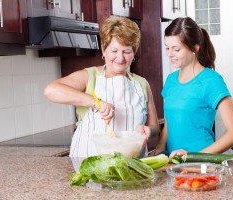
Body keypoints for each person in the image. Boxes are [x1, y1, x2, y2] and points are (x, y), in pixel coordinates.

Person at [44, 16, 159, 158]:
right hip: (89, 162)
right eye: (114, 51)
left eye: (127, 51)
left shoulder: (142, 84)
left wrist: (148, 130)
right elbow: (51, 90)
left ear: (134, 52)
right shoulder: (89, 76)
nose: (120, 58)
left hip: (131, 167)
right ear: (104, 49)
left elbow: (154, 127)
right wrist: (95, 102)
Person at [154, 17, 233, 158]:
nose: (170, 54)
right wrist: (160, 146)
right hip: (174, 163)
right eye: (167, 47)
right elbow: (170, 121)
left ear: (195, 48)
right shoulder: (171, 80)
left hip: (201, 165)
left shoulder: (211, 80)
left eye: (176, 49)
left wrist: (194, 157)